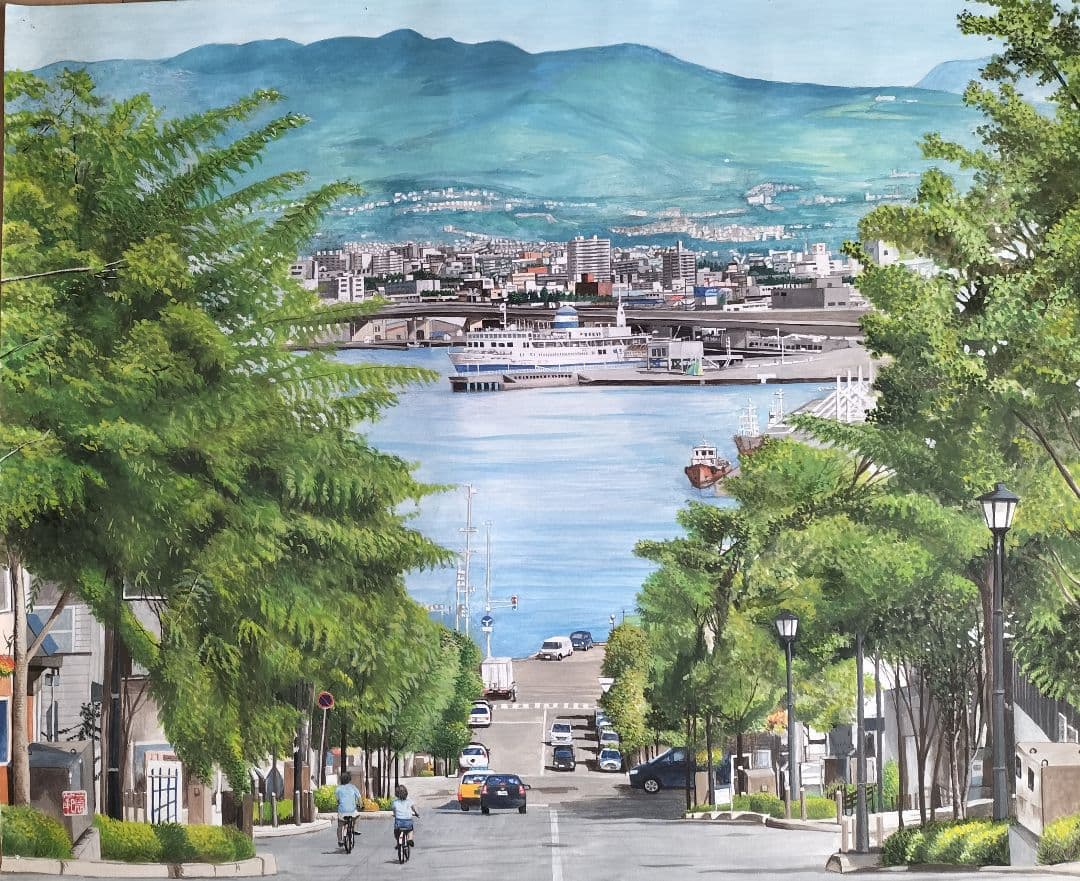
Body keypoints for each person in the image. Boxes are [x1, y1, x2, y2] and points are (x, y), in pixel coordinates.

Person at [335, 771, 362, 848]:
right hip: (352, 811)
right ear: (349, 779)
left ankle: (340, 840)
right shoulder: (353, 787)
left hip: (342, 812)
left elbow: (337, 799)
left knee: (340, 825)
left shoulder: (338, 788)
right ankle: (355, 829)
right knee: (358, 816)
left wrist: (339, 803)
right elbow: (359, 798)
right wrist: (361, 805)